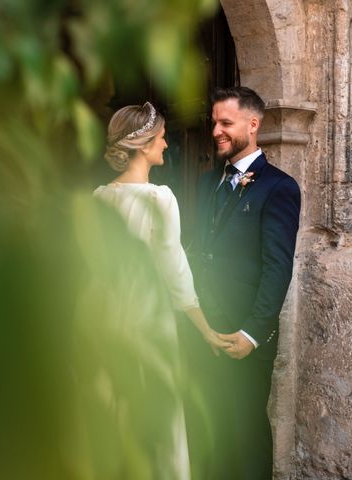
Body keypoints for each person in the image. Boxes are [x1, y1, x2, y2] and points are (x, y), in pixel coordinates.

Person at [93, 103, 231, 478]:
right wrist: (205, 330)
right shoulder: (159, 199)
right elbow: (176, 272)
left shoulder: (99, 198)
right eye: (162, 137)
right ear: (142, 145)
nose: (167, 144)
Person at [183, 86, 301, 479]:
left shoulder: (279, 187)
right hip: (203, 333)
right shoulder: (205, 184)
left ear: (253, 125)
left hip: (244, 338)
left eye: (226, 123)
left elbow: (277, 267)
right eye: (213, 122)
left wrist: (252, 332)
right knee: (206, 434)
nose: (216, 130)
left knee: (245, 433)